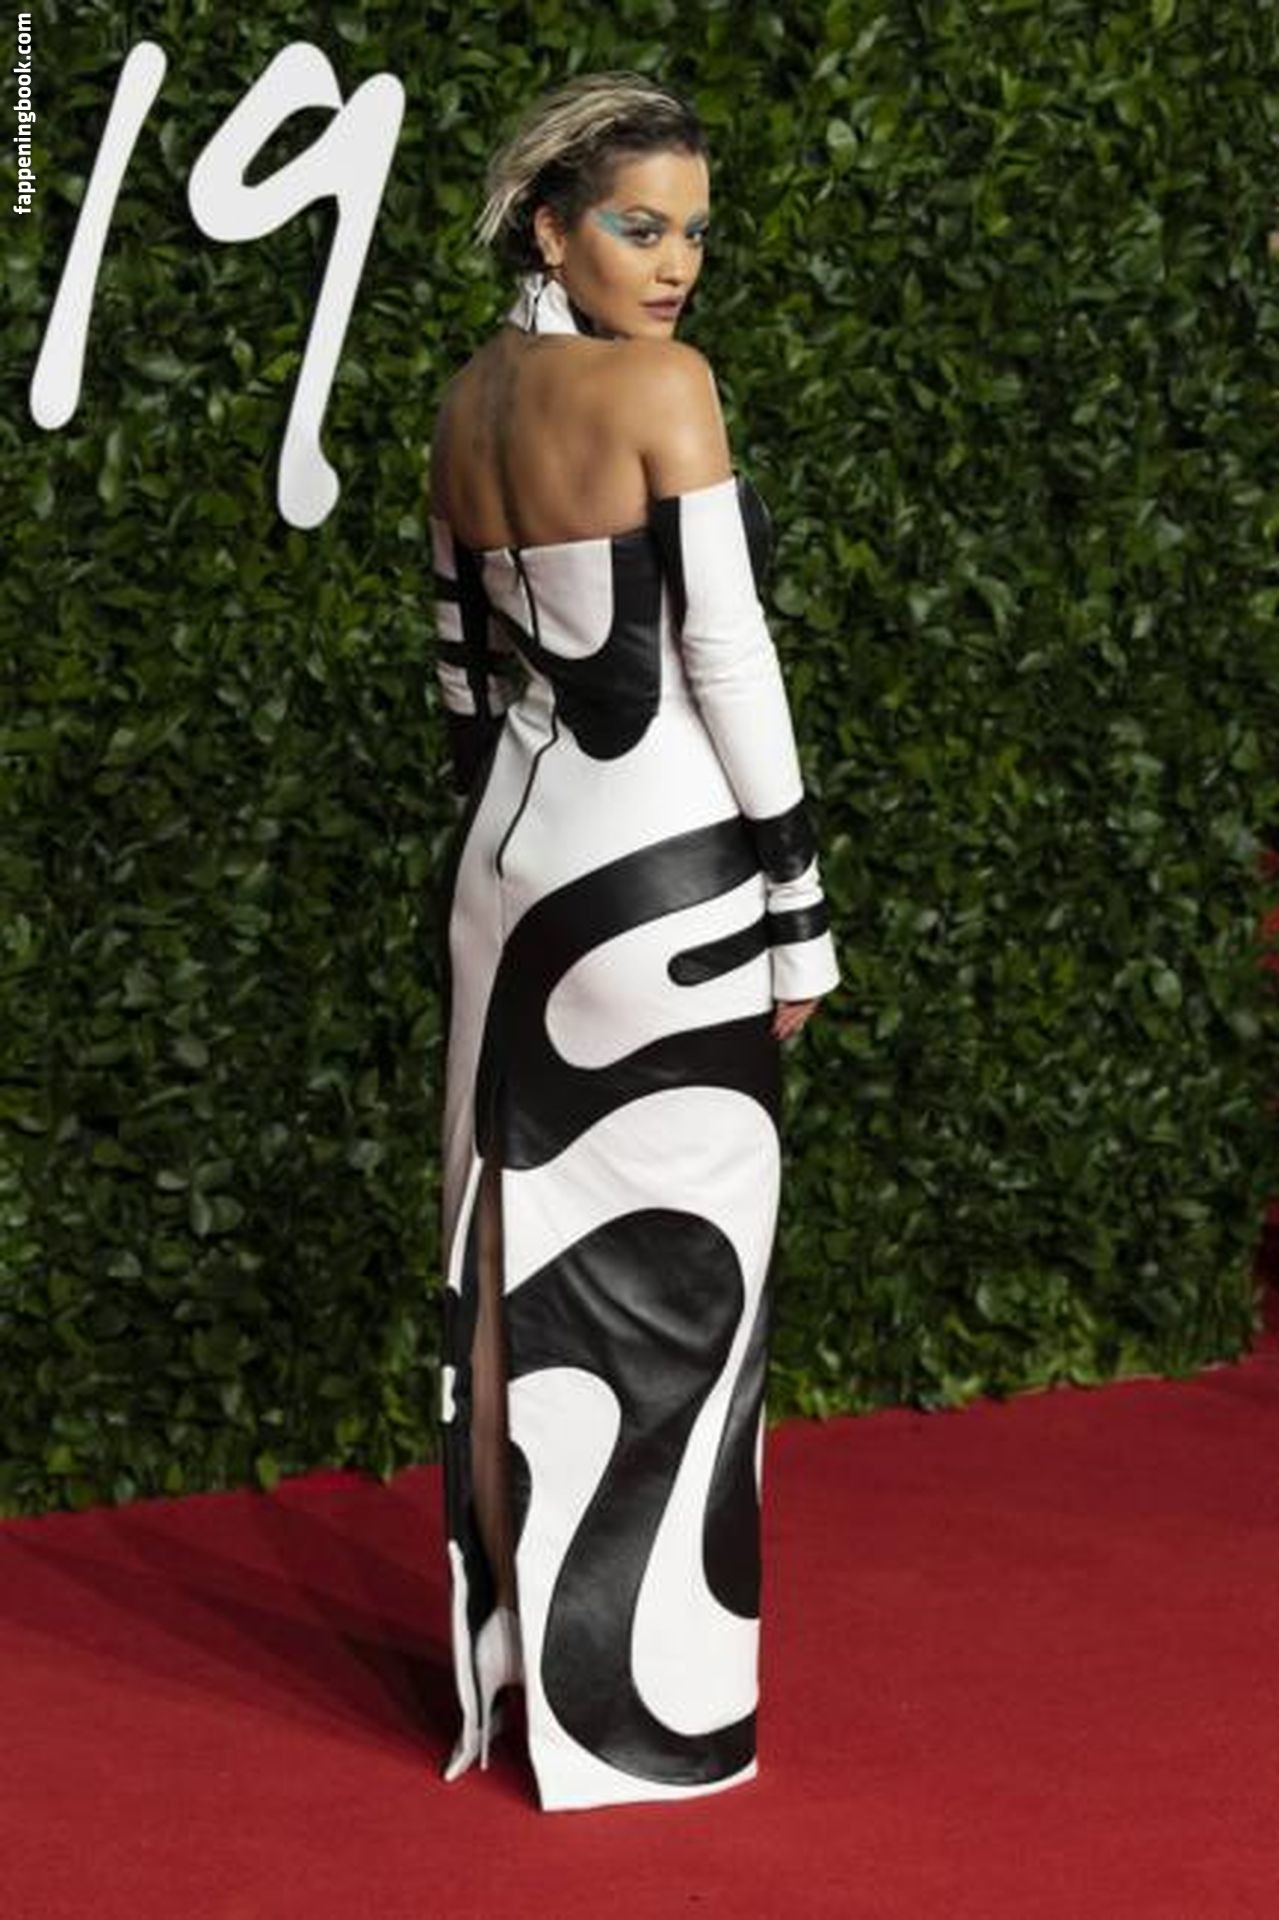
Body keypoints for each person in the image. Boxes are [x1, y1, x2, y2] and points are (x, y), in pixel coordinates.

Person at [427, 70, 840, 1813]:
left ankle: (517, 1679)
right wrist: (800, 912)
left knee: (500, 1262)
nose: (674, 266)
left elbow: (463, 681)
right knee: (684, 1295)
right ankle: (642, 1728)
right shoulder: (666, 388)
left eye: (692, 235)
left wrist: (495, 872)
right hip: (663, 876)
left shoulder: (464, 399)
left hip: (505, 879)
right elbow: (724, 659)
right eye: (637, 226)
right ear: (551, 228)